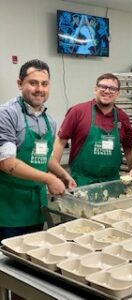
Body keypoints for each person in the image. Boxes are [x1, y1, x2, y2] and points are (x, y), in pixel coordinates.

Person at [0, 59, 76, 242]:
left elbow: (44, 156)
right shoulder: (7, 114)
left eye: (44, 83)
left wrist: (62, 174)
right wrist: (49, 178)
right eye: (33, 83)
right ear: (20, 84)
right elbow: (6, 162)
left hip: (35, 206)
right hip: (9, 207)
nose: (39, 89)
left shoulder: (49, 121)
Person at [53, 73, 132, 186]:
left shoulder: (123, 117)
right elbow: (60, 142)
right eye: (103, 87)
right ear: (95, 89)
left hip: (113, 184)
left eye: (112, 88)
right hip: (80, 183)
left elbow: (129, 149)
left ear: (118, 94)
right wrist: (54, 174)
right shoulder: (78, 111)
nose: (107, 91)